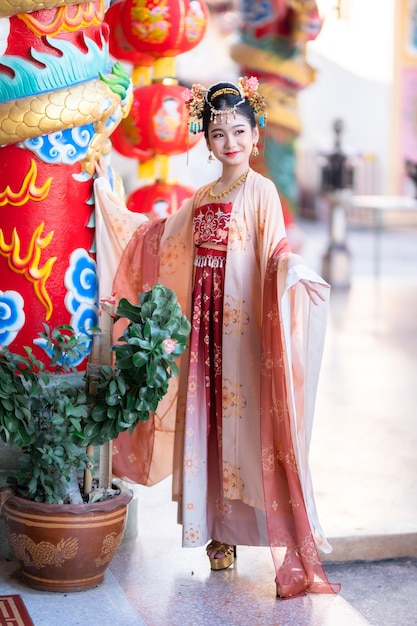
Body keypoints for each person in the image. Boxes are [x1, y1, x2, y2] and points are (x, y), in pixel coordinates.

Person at [111, 76, 340, 599]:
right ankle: (217, 530)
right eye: (218, 132)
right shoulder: (204, 195)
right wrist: (124, 222)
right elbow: (163, 239)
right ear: (206, 140)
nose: (230, 142)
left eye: (239, 130)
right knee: (209, 421)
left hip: (243, 328)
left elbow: (276, 249)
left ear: (256, 134)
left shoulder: (261, 190)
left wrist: (292, 270)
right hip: (203, 325)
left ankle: (251, 525)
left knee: (245, 423)